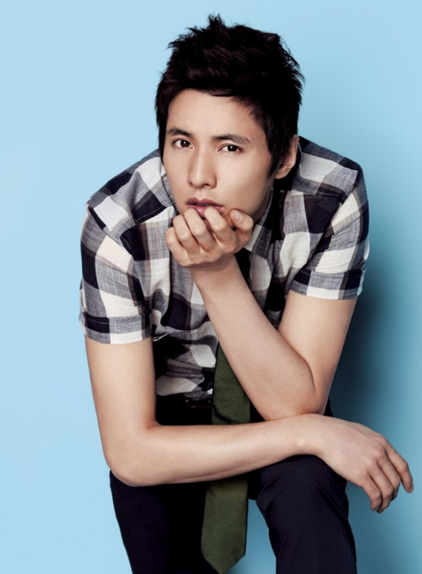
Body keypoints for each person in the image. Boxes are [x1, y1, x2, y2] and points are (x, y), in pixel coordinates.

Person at [79, 16, 413, 574]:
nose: (198, 176)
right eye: (181, 142)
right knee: (153, 517)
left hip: (277, 389)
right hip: (168, 418)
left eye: (230, 147)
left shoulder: (332, 195)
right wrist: (312, 432)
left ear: (283, 157)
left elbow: (294, 403)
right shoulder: (117, 226)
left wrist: (216, 274)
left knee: (309, 487)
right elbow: (131, 452)